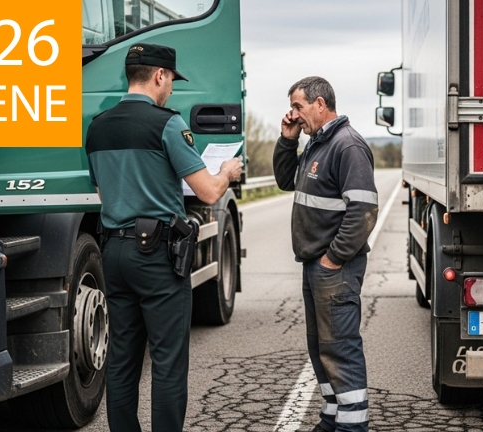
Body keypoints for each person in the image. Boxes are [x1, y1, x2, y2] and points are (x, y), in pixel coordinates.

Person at [85, 42, 242, 432]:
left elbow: (104, 193)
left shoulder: (98, 126)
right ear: (158, 76)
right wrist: (227, 172)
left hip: (114, 251)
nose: (171, 87)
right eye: (171, 79)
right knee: (168, 364)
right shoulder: (168, 123)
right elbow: (207, 192)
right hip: (156, 256)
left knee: (122, 361)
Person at [274, 76, 378, 432]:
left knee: (341, 349)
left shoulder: (346, 146)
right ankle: (332, 417)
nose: (294, 114)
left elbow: (363, 210)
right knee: (321, 348)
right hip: (316, 265)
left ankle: (352, 426)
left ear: (320, 104)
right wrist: (288, 139)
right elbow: (286, 181)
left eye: (298, 107)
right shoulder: (318, 144)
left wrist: (334, 258)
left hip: (335, 267)